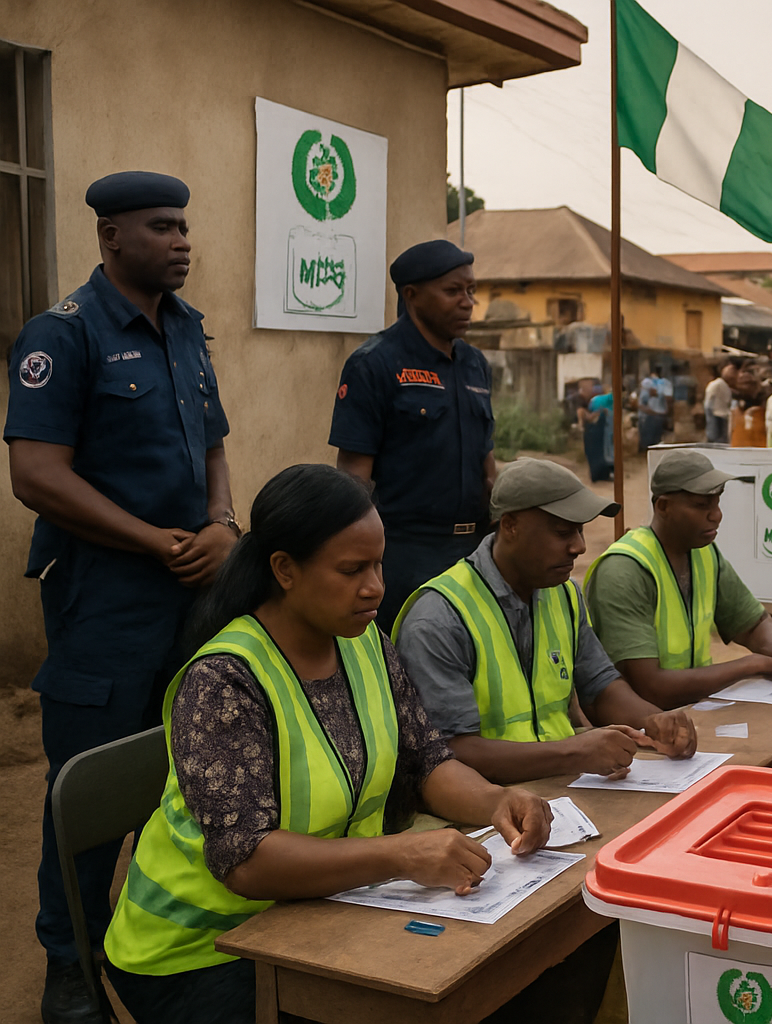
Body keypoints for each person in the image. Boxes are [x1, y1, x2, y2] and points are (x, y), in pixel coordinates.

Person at [101, 464, 554, 1024]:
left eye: (378, 564)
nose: (376, 587)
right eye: (351, 569)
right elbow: (246, 862)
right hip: (202, 950)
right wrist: (401, 854)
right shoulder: (224, 680)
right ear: (285, 570)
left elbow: (427, 761)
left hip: (315, 914)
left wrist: (494, 801)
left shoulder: (366, 644)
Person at [4, 171, 239, 1024]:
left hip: (194, 589)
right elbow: (35, 475)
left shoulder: (186, 331)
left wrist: (221, 523)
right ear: (110, 236)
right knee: (91, 788)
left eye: (184, 225)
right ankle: (68, 964)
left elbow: (214, 444)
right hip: (106, 596)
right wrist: (155, 542)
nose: (181, 240)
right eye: (161, 227)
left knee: (191, 774)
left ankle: (160, 939)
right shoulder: (62, 336)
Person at [394, 458, 696, 785]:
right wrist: (574, 753)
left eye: (580, 531)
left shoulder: (563, 594)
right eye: (563, 532)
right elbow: (450, 753)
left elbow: (600, 687)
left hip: (564, 788)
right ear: (510, 525)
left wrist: (653, 720)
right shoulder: (440, 618)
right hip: (487, 806)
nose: (579, 546)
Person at [328, 239, 493, 633]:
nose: (467, 301)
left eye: (471, 291)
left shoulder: (475, 365)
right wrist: (357, 562)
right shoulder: (375, 364)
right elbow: (354, 476)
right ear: (412, 295)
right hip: (404, 552)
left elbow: (487, 464)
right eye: (453, 291)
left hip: (474, 551)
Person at [585, 450, 772, 707]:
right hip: (643, 724)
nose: (716, 515)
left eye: (717, 503)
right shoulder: (624, 571)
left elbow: (752, 625)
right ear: (664, 507)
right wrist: (753, 664)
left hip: (695, 710)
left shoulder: (704, 554)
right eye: (701, 505)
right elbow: (651, 687)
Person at [576, 378, 614, 482]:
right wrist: (598, 412)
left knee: (597, 454)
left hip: (594, 434)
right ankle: (597, 476)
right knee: (595, 455)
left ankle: (600, 475)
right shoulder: (581, 405)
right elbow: (586, 418)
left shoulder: (592, 402)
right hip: (591, 434)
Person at [638, 363, 673, 452]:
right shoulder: (666, 383)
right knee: (656, 437)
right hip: (659, 414)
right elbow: (669, 399)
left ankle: (646, 451)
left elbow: (643, 399)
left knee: (648, 437)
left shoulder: (647, 382)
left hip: (650, 414)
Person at [703, 362, 735, 443]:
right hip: (716, 415)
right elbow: (708, 402)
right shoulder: (717, 384)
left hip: (722, 415)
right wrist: (709, 415)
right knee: (716, 439)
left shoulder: (724, 385)